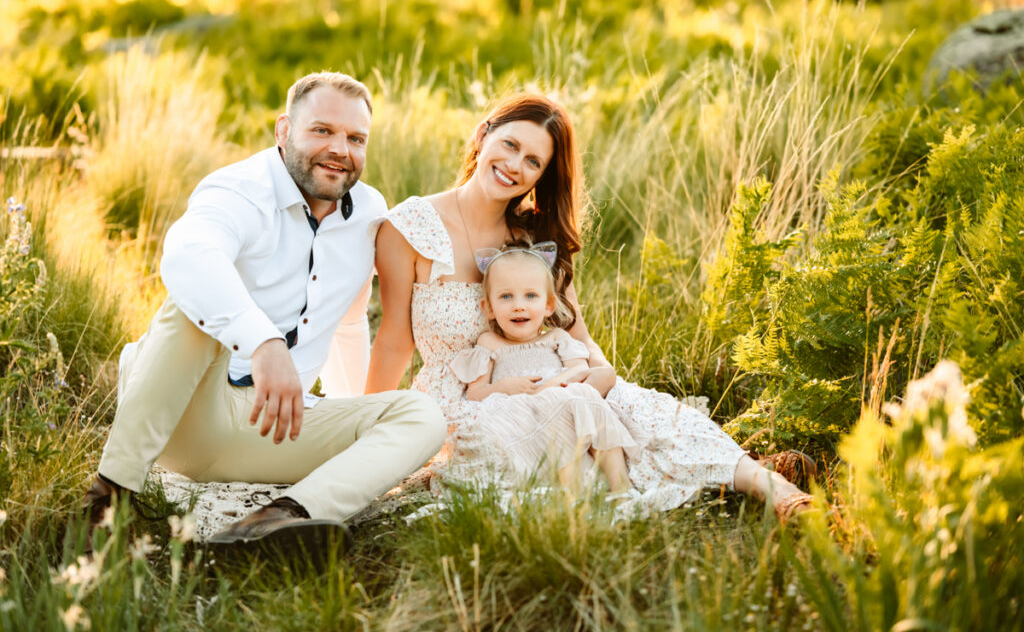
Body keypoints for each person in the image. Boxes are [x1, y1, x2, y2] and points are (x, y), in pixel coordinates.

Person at [362, 93, 814, 521]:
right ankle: (716, 478)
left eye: (533, 161)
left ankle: (777, 489)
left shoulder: (534, 240)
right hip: (467, 402)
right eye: (510, 145)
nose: (514, 166)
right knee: (530, 458)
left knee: (646, 413)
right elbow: (392, 345)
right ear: (483, 135)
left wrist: (601, 376)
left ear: (542, 176)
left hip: (554, 379)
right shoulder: (411, 227)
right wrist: (365, 434)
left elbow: (576, 335)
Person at [80, 72, 446, 547]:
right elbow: (189, 256)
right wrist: (263, 341)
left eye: (356, 138)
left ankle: (274, 524)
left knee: (421, 415)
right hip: (188, 415)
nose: (340, 149)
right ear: (283, 131)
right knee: (198, 308)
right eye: (322, 131)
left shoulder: (370, 211)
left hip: (275, 426)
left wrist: (353, 411)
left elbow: (350, 322)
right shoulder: (237, 189)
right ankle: (105, 504)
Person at [449, 240, 636, 493]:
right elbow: (475, 393)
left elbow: (579, 371)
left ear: (548, 305)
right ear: (489, 308)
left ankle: (620, 486)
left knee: (594, 385)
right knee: (576, 398)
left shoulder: (556, 337)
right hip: (521, 410)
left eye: (531, 295)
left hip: (561, 397)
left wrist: (548, 387)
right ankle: (570, 488)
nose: (519, 305)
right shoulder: (490, 342)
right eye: (506, 296)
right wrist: (503, 386)